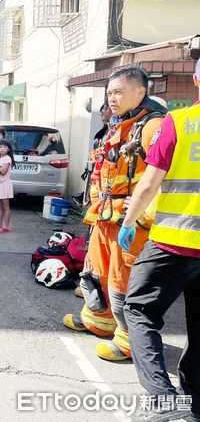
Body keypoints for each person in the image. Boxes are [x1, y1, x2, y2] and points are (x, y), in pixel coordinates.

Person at [63, 67, 166, 361]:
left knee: (125, 281)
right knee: (97, 271)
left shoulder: (151, 126)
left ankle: (128, 341)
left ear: (140, 92)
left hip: (129, 221)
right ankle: (99, 321)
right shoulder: (119, 124)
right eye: (109, 92)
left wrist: (140, 219)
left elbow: (159, 178)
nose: (112, 98)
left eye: (119, 92)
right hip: (105, 216)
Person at [118, 58, 200, 420]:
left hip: (174, 241)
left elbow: (149, 182)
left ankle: (164, 401)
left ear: (196, 80)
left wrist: (129, 220)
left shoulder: (179, 122)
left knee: (138, 310)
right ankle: (193, 405)